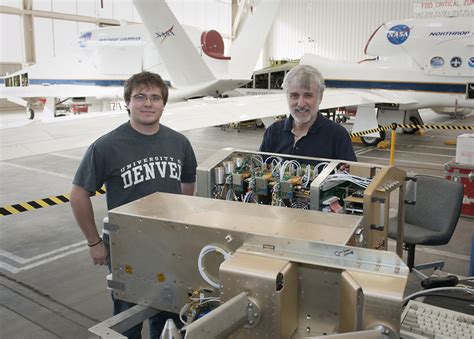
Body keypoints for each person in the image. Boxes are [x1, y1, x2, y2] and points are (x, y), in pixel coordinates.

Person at [70, 71, 197, 339]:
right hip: (126, 248)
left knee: (170, 316)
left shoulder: (179, 143)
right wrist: (94, 242)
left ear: (164, 103)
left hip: (170, 246)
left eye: (154, 97)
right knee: (128, 320)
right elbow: (79, 193)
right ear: (127, 102)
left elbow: (187, 185)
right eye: (140, 97)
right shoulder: (107, 146)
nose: (148, 103)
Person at [259, 64, 357, 162]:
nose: (301, 104)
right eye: (294, 95)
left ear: (320, 97)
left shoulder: (338, 136)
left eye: (308, 95)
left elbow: (351, 175)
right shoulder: (273, 132)